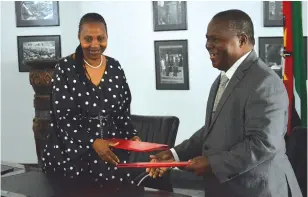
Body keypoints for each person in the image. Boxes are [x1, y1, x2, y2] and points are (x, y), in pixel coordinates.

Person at [146, 9, 302, 197]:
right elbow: (213, 130)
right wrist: (175, 155)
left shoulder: (265, 82)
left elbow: (263, 144)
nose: (208, 45)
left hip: (258, 190)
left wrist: (212, 164)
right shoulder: (223, 79)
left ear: (242, 40)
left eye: (215, 39)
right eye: (207, 39)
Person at [41, 12, 140, 185]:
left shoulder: (115, 67)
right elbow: (63, 117)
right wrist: (93, 142)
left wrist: (132, 135)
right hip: (72, 156)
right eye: (88, 39)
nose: (95, 45)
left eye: (100, 38)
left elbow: (122, 112)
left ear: (107, 37)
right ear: (79, 37)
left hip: (110, 156)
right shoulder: (65, 68)